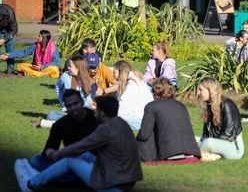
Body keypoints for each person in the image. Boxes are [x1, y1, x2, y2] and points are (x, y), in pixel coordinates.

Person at [15, 95, 143, 192]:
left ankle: (32, 183)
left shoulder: (106, 129)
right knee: (84, 155)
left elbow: (81, 146)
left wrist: (58, 154)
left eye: (97, 110)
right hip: (127, 179)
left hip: (114, 185)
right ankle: (42, 175)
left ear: (102, 113)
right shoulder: (122, 123)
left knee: (70, 161)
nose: (95, 112)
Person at [28, 90, 98, 183]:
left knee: (87, 158)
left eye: (75, 103)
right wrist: (50, 152)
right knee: (36, 160)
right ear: (65, 106)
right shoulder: (61, 124)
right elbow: (49, 149)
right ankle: (70, 179)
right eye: (69, 105)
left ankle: (57, 178)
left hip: (91, 162)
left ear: (82, 102)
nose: (73, 108)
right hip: (68, 162)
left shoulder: (95, 118)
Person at [136, 78, 201, 162]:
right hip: (191, 151)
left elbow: (144, 134)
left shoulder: (151, 106)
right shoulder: (181, 106)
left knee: (144, 139)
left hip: (169, 153)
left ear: (154, 92)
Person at [197, 77, 244, 160]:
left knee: (208, 142)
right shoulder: (209, 106)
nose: (198, 92)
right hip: (215, 144)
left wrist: (206, 142)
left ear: (210, 90)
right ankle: (207, 154)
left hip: (233, 147)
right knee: (192, 139)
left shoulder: (227, 105)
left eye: (200, 90)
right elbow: (205, 133)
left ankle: (197, 153)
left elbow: (228, 134)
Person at [113, 60, 153, 130]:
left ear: (121, 72)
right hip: (144, 118)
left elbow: (122, 109)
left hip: (140, 121)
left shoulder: (132, 85)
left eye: (114, 73)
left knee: (112, 121)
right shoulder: (136, 79)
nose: (113, 75)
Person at [0, 4, 18, 74]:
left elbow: (14, 29)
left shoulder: (10, 14)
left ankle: (10, 69)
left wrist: (4, 40)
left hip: (9, 30)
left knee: (9, 48)